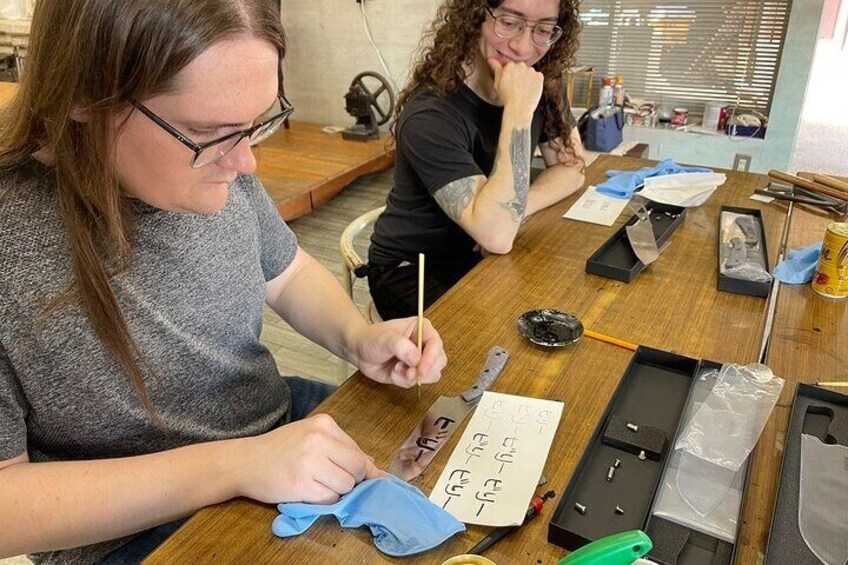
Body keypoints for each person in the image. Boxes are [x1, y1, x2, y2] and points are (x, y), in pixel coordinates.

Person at [0, 1, 447, 563]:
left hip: (275, 428)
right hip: (138, 527)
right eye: (209, 131)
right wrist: (234, 466)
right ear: (83, 96)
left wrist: (358, 338)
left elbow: (286, 273)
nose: (246, 163)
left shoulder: (223, 161)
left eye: (258, 122)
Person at [368, 0, 585, 320]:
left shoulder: (539, 80)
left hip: (490, 257)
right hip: (415, 268)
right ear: (475, 17)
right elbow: (496, 235)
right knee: (505, 341)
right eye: (510, 22)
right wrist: (518, 112)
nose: (523, 47)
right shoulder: (431, 114)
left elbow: (573, 166)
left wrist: (517, 210)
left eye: (542, 29)